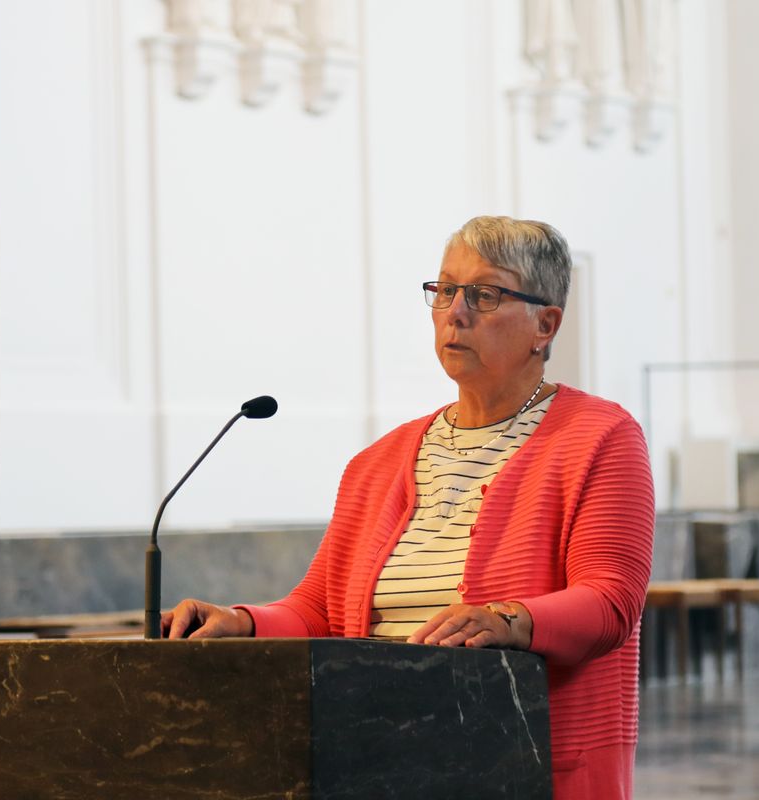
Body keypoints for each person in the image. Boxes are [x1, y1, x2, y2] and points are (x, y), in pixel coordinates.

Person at [164, 215, 656, 799]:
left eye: (486, 294)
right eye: (446, 290)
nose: (456, 312)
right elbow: (317, 608)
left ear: (545, 325)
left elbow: (609, 602)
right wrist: (242, 623)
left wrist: (508, 620)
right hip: (382, 758)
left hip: (527, 764)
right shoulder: (379, 461)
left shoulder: (599, 437)